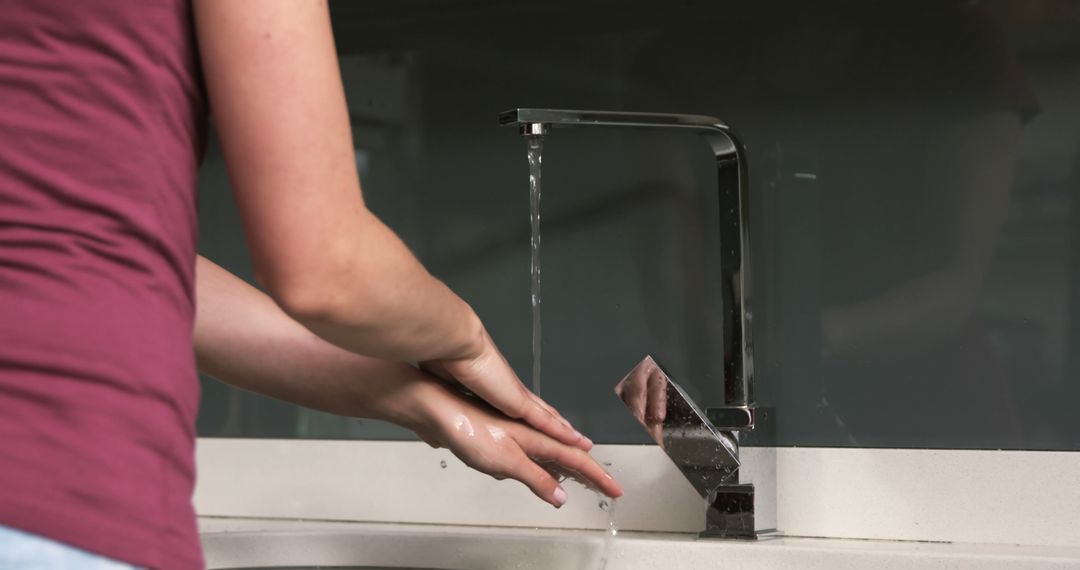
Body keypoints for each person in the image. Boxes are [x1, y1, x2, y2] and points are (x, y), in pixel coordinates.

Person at [0, 1, 622, 568]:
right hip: (54, 486)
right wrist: (468, 340)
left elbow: (138, 276)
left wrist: (418, 400)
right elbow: (328, 266)